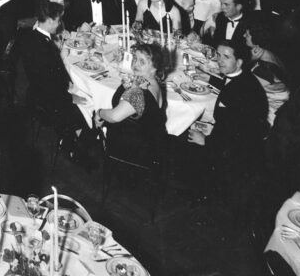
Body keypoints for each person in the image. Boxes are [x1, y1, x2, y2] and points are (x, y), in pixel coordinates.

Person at [187, 40, 268, 204]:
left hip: (239, 154)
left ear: (238, 62)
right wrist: (209, 77)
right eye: (218, 55)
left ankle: (204, 193)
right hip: (238, 137)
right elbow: (228, 85)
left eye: (226, 57)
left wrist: (205, 141)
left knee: (186, 137)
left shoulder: (240, 91)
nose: (219, 60)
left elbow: (234, 135)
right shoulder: (242, 77)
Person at [16, 2, 87, 144]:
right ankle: (76, 145)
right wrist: (70, 98)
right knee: (87, 106)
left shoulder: (34, 37)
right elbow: (47, 85)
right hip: (48, 101)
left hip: (42, 92)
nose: (59, 24)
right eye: (58, 20)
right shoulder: (42, 47)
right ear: (49, 21)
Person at [93, 42, 167, 164]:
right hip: (147, 145)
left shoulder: (138, 93)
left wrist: (99, 112)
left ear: (154, 68)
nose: (135, 64)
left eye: (142, 62)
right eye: (135, 59)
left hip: (131, 151)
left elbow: (114, 116)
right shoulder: (154, 84)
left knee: (93, 119)